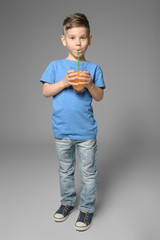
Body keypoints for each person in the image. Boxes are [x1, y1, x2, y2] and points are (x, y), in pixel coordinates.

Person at [40, 13, 106, 231]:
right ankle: (67, 202)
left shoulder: (94, 69)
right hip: (62, 131)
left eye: (83, 37)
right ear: (64, 40)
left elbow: (99, 96)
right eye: (73, 37)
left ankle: (86, 208)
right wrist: (64, 82)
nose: (78, 43)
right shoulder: (55, 65)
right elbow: (46, 91)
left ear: (90, 40)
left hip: (86, 132)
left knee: (88, 172)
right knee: (65, 170)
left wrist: (89, 85)